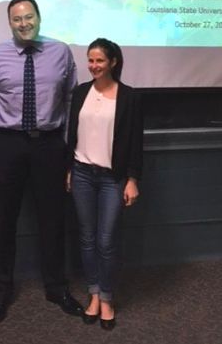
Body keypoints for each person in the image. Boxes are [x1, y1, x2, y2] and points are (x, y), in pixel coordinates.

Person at [0, 0, 83, 323]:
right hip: (7, 145)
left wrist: (67, 151)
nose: (24, 24)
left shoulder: (61, 52)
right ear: (9, 23)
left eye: (29, 17)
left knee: (53, 219)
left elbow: (70, 102)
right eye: (17, 19)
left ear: (38, 17)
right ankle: (2, 288)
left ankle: (56, 286)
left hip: (49, 146)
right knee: (4, 220)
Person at [66, 38, 143, 330]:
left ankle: (108, 298)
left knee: (106, 241)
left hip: (113, 178)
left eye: (99, 60)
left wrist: (132, 179)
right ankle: (94, 294)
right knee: (86, 239)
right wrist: (69, 170)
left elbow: (136, 143)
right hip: (82, 173)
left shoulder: (130, 97)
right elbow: (72, 135)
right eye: (90, 60)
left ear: (112, 62)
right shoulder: (80, 92)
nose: (94, 66)